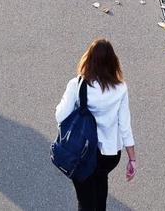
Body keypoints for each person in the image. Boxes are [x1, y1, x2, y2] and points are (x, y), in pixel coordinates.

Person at [55, 39, 136, 211]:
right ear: (113, 62)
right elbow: (125, 125)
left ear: (88, 59)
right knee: (100, 184)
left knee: (85, 200)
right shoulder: (120, 88)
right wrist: (132, 158)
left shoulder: (76, 84)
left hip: (81, 153)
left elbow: (60, 115)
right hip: (108, 155)